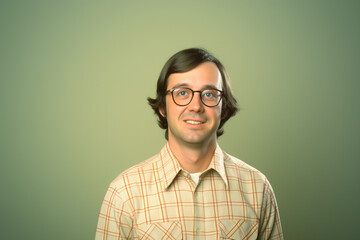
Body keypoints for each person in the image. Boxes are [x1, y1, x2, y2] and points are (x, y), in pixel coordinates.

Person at [95, 48, 284, 239]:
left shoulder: (257, 187)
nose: (196, 106)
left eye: (209, 94)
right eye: (182, 93)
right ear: (162, 107)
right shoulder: (124, 193)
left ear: (223, 108)